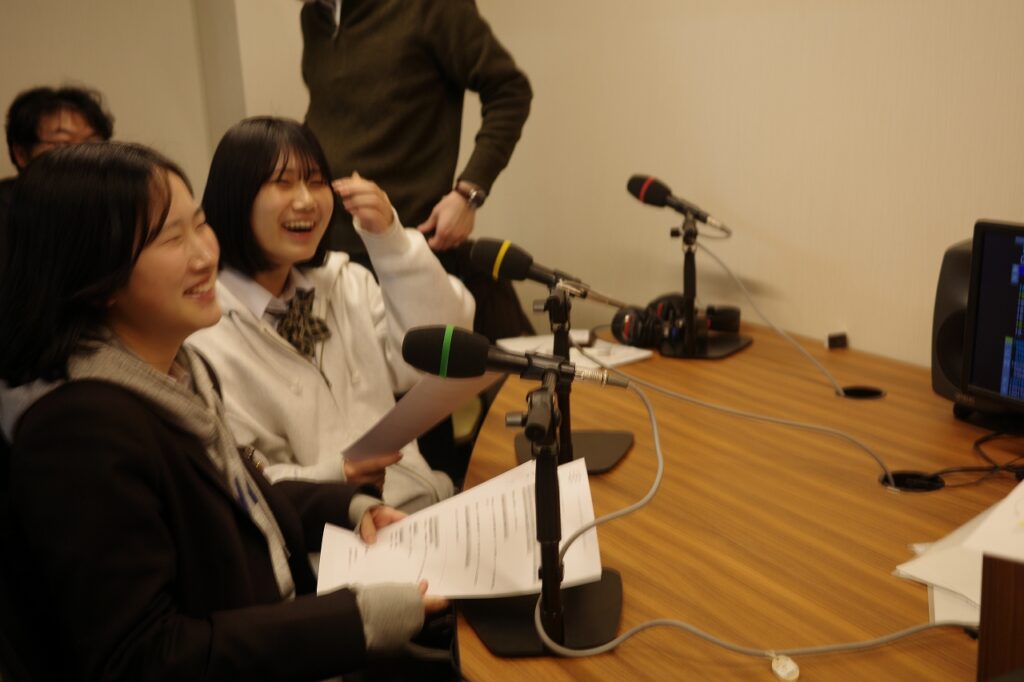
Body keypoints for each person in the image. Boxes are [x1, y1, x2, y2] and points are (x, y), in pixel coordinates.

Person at [0, 141, 446, 680]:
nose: (205, 255)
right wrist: (355, 621)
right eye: (172, 239)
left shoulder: (178, 371)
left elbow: (235, 502)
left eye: (200, 225)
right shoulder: (78, 433)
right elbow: (145, 657)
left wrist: (346, 506)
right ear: (95, 275)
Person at [188, 117, 475, 512]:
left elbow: (443, 351)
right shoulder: (206, 331)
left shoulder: (345, 283)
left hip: (422, 503)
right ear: (235, 197)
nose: (306, 200)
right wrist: (337, 474)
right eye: (283, 183)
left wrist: (391, 240)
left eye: (316, 181)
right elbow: (237, 479)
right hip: (329, 534)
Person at [300, 0, 534, 340]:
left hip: (409, 246)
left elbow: (510, 90)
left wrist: (469, 193)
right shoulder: (314, 16)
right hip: (331, 253)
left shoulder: (431, 7)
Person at [0, 85, 113, 262]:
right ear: (21, 154)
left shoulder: (112, 204)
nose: (82, 155)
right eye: (63, 144)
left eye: (92, 144)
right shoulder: (6, 211)